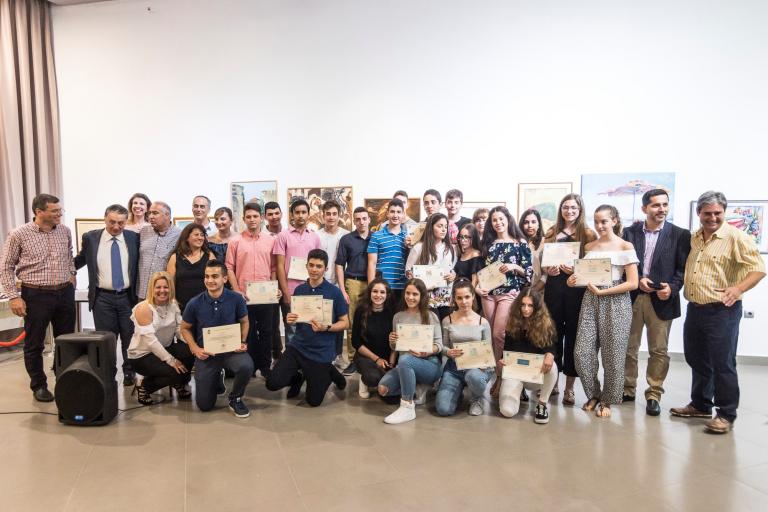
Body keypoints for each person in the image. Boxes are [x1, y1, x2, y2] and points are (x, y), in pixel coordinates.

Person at [671, 191, 765, 434]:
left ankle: (726, 414)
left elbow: (758, 269)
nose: (712, 218)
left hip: (723, 311)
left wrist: (738, 288)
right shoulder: (695, 238)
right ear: (699, 213)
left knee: (723, 363)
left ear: (724, 212)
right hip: (695, 308)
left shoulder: (736, 237)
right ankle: (701, 404)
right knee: (695, 358)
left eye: (717, 213)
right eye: (707, 213)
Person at [622, 189, 691, 416]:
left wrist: (672, 288)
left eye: (665, 204)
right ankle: (628, 389)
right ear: (645, 208)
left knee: (659, 351)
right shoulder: (629, 233)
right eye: (655, 205)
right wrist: (637, 278)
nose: (661, 209)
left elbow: (683, 269)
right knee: (629, 348)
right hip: (632, 297)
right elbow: (623, 263)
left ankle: (654, 394)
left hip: (662, 300)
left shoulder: (680, 235)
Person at [0, 194, 75, 402]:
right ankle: (39, 385)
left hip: (64, 293)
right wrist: (13, 297)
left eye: (60, 210)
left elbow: (69, 254)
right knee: (35, 344)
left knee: (66, 341)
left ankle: (64, 379)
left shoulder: (65, 231)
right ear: (39, 212)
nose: (60, 214)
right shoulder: (18, 234)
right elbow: (6, 267)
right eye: (55, 211)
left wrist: (72, 274)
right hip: (36, 295)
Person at [568, 205, 639, 419]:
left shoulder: (625, 246)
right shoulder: (590, 246)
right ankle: (594, 394)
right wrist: (572, 281)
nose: (599, 226)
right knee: (581, 352)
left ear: (614, 221)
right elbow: (583, 276)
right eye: (597, 221)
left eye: (604, 221)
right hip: (590, 299)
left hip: (616, 300)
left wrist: (604, 292)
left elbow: (633, 283)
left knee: (613, 354)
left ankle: (607, 399)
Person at [266, 249, 350, 406]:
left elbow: (345, 323)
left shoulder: (335, 292)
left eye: (319, 266)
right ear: (306, 266)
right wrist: (290, 319)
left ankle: (329, 371)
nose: (314, 269)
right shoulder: (299, 290)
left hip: (321, 351)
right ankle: (297, 377)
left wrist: (327, 327)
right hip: (298, 347)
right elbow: (296, 318)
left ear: (326, 269)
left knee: (313, 401)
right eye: (311, 265)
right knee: (272, 383)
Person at [74, 204, 141, 386]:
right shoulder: (91, 238)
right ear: (104, 218)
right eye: (112, 222)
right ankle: (108, 373)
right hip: (102, 298)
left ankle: (129, 372)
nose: (116, 227)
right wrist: (67, 271)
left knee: (130, 337)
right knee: (106, 339)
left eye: (121, 223)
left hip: (128, 297)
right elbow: (81, 259)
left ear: (126, 222)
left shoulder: (133, 238)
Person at [541, 194, 596, 406]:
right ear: (560, 209)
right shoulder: (551, 232)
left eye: (573, 207)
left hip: (576, 290)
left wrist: (576, 269)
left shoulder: (588, 234)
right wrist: (548, 269)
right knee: (553, 334)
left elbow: (594, 265)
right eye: (565, 207)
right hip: (554, 288)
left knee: (573, 337)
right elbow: (543, 262)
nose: (569, 211)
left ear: (580, 209)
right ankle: (552, 382)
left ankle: (569, 388)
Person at [180, 260, 253, 417]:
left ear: (225, 279)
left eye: (215, 276)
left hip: (231, 351)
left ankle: (235, 398)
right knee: (204, 405)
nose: (209, 280)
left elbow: (245, 322)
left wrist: (242, 341)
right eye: (207, 276)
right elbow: (184, 328)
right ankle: (217, 376)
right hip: (207, 354)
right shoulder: (194, 303)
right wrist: (195, 348)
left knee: (246, 366)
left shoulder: (236, 299)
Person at [378, 279, 443, 424]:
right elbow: (395, 347)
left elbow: (439, 345)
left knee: (405, 360)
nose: (410, 297)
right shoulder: (398, 316)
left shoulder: (430, 316)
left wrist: (427, 352)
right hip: (405, 364)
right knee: (383, 389)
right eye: (408, 293)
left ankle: (407, 406)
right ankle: (417, 388)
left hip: (429, 364)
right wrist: (392, 340)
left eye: (415, 294)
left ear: (422, 296)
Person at [226, 202, 278, 379]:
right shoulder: (235, 241)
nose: (252, 219)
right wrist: (236, 290)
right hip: (244, 296)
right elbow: (229, 267)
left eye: (255, 216)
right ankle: (251, 365)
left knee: (267, 331)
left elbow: (273, 267)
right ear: (243, 219)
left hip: (265, 295)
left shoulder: (270, 241)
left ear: (261, 218)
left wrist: (274, 286)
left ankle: (265, 366)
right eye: (248, 217)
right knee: (248, 332)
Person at [127, 271, 194, 404]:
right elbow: (151, 342)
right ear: (152, 289)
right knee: (173, 371)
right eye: (158, 287)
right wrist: (171, 360)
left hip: (164, 348)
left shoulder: (173, 304)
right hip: (142, 355)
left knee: (189, 351)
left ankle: (178, 382)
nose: (162, 291)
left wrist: (193, 345)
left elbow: (179, 329)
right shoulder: (143, 308)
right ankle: (144, 386)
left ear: (171, 288)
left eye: (166, 287)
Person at [476, 206, 533, 361]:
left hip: (509, 293)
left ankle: (499, 368)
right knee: (488, 333)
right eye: (494, 220)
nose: (498, 222)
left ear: (508, 220)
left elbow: (529, 272)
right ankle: (489, 366)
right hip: (487, 293)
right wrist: (477, 288)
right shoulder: (487, 243)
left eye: (501, 219)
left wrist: (514, 266)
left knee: (499, 333)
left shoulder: (520, 243)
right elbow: (480, 270)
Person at [498, 287, 558, 424]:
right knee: (507, 411)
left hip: (535, 375)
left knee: (553, 367)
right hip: (516, 373)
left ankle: (542, 404)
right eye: (523, 305)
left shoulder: (546, 323)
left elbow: (551, 347)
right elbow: (507, 350)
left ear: (537, 307)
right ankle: (518, 391)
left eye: (530, 305)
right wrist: (502, 361)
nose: (526, 309)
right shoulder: (512, 323)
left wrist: (550, 354)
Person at [435, 279, 494, 417]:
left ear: (473, 296)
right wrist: (448, 352)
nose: (464, 301)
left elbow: (488, 351)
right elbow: (443, 347)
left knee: (473, 376)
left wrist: (484, 365)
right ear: (454, 299)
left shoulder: (483, 322)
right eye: (459, 298)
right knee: (443, 409)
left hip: (477, 369)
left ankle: (477, 398)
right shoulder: (447, 320)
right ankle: (457, 393)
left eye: (467, 297)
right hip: (454, 368)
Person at [274, 198, 321, 345]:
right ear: (292, 214)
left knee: (311, 328)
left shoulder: (314, 237)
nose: (301, 215)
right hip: (291, 291)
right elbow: (279, 266)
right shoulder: (283, 236)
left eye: (304, 212)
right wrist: (286, 292)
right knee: (292, 331)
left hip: (310, 290)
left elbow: (318, 266)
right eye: (297, 212)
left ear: (308, 214)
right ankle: (292, 359)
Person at [335, 206, 372, 376]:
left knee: (370, 322)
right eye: (358, 219)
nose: (361, 222)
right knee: (351, 323)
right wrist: (342, 290)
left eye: (364, 218)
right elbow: (339, 265)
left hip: (373, 284)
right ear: (354, 220)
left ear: (369, 220)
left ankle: (369, 357)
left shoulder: (376, 238)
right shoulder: (346, 239)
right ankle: (352, 359)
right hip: (353, 283)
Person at [405, 213, 457, 321]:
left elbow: (452, 269)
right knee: (429, 325)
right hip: (425, 296)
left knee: (445, 325)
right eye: (439, 226)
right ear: (431, 227)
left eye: (445, 226)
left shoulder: (449, 249)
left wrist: (453, 275)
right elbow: (408, 271)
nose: (443, 229)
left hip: (445, 297)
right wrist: (418, 282)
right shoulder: (419, 247)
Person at [317, 200, 350, 369]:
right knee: (321, 320)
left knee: (338, 320)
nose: (331, 217)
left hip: (338, 285)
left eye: (334, 214)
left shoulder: (346, 235)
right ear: (323, 215)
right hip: (320, 283)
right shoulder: (317, 235)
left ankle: (338, 355)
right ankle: (323, 355)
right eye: (328, 214)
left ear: (339, 216)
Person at [351, 278, 396, 399]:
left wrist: (391, 363)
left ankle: (383, 379)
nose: (378, 295)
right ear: (369, 292)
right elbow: (355, 342)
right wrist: (377, 359)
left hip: (388, 357)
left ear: (387, 294)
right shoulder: (360, 311)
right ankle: (365, 380)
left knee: (392, 399)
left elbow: (396, 341)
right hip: (366, 356)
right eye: (375, 291)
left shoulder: (392, 312)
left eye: (382, 292)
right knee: (372, 378)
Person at [137, 201, 181, 300]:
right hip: (142, 292)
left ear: (167, 215)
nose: (151, 216)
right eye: (150, 213)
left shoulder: (179, 235)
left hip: (164, 293)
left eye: (155, 213)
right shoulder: (144, 232)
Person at [167, 223, 216, 312]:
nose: (200, 238)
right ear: (187, 238)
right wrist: (173, 301)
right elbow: (170, 283)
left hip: (205, 305)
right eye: (196, 234)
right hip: (180, 307)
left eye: (202, 235)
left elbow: (216, 281)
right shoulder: (175, 257)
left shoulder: (210, 256)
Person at [367, 199, 408, 302]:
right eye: (392, 211)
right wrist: (371, 288)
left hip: (403, 286)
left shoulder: (408, 237)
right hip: (382, 287)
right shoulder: (376, 236)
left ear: (403, 215)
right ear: (387, 214)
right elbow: (372, 263)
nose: (395, 215)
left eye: (398, 212)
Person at [263, 200, 284, 361]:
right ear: (265, 216)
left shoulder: (288, 233)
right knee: (272, 323)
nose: (274, 217)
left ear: (281, 214)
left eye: (277, 213)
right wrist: (273, 285)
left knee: (293, 321)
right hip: (269, 284)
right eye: (270, 214)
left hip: (288, 282)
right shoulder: (262, 236)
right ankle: (276, 356)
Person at [519, 208, 546, 288]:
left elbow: (547, 273)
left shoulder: (545, 242)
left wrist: (535, 289)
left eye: (533, 222)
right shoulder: (517, 243)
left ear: (538, 224)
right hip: (518, 289)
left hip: (539, 289)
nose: (530, 226)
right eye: (526, 222)